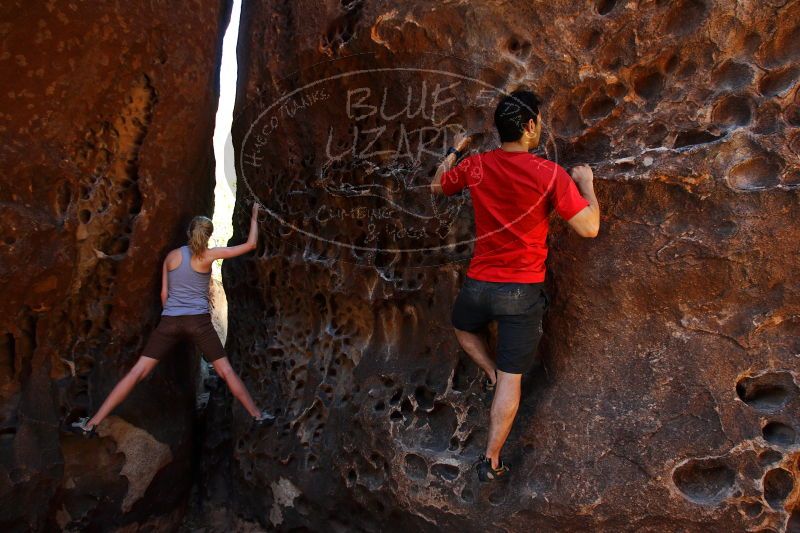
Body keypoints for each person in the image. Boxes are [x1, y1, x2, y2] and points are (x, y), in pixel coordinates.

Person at [431, 89, 600, 482]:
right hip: (520, 292)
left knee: (461, 325)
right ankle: (491, 460)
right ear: (529, 126)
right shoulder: (550, 175)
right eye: (539, 120)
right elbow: (589, 228)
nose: (540, 126)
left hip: (479, 285)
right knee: (512, 379)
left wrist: (456, 151)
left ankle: (486, 368)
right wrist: (587, 184)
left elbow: (437, 187)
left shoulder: (475, 166)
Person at [70, 203, 274, 437]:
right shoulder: (208, 255)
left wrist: (171, 322)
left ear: (189, 232)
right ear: (208, 235)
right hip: (199, 322)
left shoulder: (171, 257)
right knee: (226, 371)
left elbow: (164, 295)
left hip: (170, 321)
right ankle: (258, 416)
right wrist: (256, 214)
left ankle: (91, 424)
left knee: (137, 372)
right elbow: (251, 244)